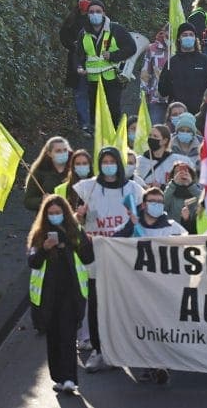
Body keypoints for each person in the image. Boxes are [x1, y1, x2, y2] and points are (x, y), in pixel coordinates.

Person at [72, 146, 143, 373]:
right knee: (96, 303)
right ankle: (99, 349)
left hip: (124, 255)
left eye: (113, 161)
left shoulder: (133, 188)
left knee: (124, 301)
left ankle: (124, 348)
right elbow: (80, 222)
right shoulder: (87, 188)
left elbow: (139, 218)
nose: (108, 165)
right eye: (105, 161)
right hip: (97, 253)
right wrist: (79, 217)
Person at [27, 194, 94, 394]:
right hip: (48, 296)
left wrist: (78, 241)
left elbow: (88, 257)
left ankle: (70, 379)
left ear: (65, 213)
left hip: (71, 293)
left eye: (58, 213)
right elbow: (33, 262)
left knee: (67, 335)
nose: (55, 216)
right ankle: (58, 377)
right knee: (53, 337)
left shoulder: (75, 231)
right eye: (51, 214)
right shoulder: (39, 235)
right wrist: (44, 249)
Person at [74, 0, 136, 125]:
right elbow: (78, 55)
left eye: (98, 11)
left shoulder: (116, 29)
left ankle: (115, 137)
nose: (94, 14)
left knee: (113, 111)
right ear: (87, 14)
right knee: (95, 113)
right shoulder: (83, 33)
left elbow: (131, 48)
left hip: (112, 77)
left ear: (104, 13)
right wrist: (79, 67)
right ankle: (98, 140)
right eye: (91, 12)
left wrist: (113, 55)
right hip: (93, 80)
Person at [60, 0, 96, 133]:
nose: (85, 1)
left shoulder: (97, 19)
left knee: (94, 92)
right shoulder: (71, 19)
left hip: (95, 61)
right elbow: (63, 36)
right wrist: (73, 45)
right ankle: (85, 124)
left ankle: (95, 122)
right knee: (80, 93)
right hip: (77, 61)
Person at [158, 23, 207, 113]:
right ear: (179, 38)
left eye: (191, 35)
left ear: (195, 38)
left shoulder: (206, 61)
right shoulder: (171, 62)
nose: (188, 37)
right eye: (184, 35)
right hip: (178, 114)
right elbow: (162, 91)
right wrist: (167, 78)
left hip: (201, 114)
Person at [24, 137, 72, 213]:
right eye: (58, 151)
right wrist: (42, 200)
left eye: (65, 150)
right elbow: (28, 201)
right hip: (46, 219)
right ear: (49, 153)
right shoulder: (39, 172)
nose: (62, 153)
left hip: (71, 219)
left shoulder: (74, 169)